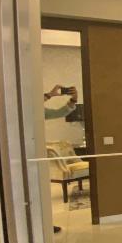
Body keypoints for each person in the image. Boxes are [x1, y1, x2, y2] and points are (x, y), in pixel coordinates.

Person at [44, 85, 78, 233]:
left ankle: (45, 224)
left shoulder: (40, 111)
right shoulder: (25, 108)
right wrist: (49, 95)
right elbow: (30, 106)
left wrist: (73, 99)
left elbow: (60, 112)